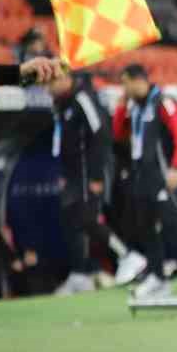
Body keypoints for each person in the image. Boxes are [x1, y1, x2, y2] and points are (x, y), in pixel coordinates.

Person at [112, 64, 177, 299]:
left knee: (170, 222)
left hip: (162, 173)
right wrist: (120, 108)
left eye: (125, 83)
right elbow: (118, 135)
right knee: (145, 225)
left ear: (137, 81)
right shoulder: (136, 107)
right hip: (141, 174)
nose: (123, 90)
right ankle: (158, 276)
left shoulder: (162, 102)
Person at [48, 64, 112, 295]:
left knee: (87, 220)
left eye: (51, 83)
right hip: (71, 175)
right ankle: (79, 273)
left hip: (87, 174)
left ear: (65, 78)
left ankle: (127, 256)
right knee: (71, 221)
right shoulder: (62, 103)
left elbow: (101, 133)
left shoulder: (84, 98)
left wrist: (96, 175)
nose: (47, 89)